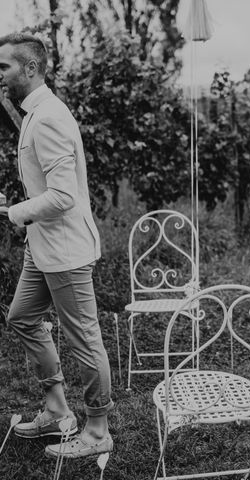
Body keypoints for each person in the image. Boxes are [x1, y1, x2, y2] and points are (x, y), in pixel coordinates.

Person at [0, 33, 113, 459]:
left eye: (4, 67)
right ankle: (57, 410)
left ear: (30, 68)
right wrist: (16, 207)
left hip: (64, 250)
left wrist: (16, 212)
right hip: (42, 245)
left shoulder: (48, 116)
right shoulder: (33, 111)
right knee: (23, 316)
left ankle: (98, 430)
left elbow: (63, 196)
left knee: (84, 339)